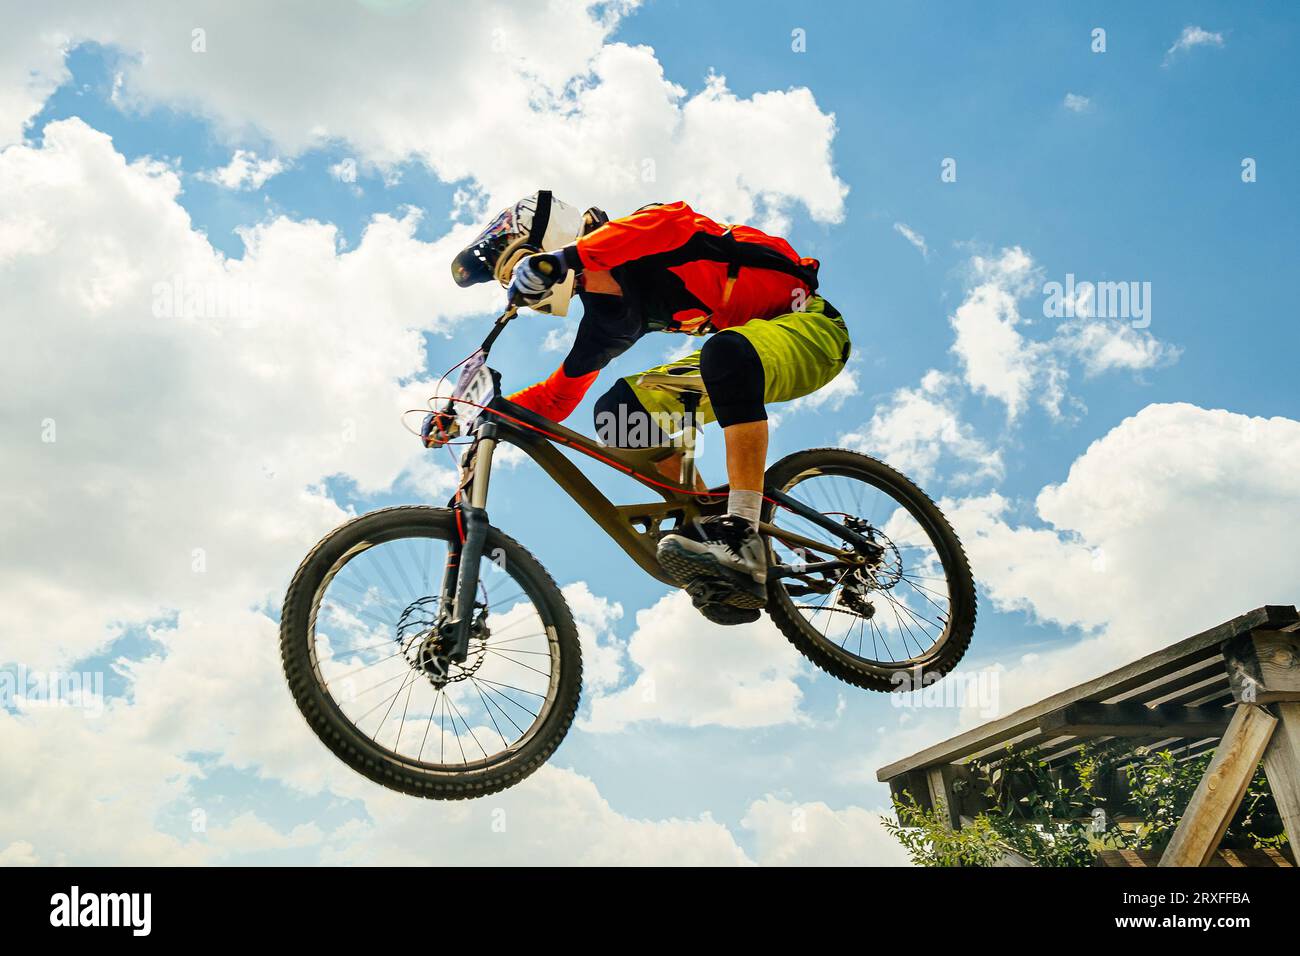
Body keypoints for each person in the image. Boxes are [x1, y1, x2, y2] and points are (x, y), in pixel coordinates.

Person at [450, 191, 851, 624]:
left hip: (812, 330)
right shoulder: (609, 320)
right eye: (511, 278)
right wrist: (468, 414)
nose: (524, 285)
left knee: (726, 352)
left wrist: (566, 259)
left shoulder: (644, 231)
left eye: (522, 265)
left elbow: (672, 222)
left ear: (552, 242)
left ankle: (742, 529)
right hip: (747, 349)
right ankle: (709, 524)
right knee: (620, 411)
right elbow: (558, 398)